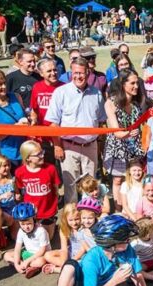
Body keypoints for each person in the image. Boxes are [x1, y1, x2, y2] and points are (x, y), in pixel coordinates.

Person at [46, 57, 106, 204]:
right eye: (75, 73)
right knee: (71, 187)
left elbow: (101, 121)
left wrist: (98, 145)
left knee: (90, 186)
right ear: (71, 73)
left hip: (90, 146)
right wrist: (58, 146)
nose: (78, 76)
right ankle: (72, 219)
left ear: (88, 73)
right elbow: (53, 123)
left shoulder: (97, 94)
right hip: (69, 147)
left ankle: (90, 216)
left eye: (82, 73)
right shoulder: (61, 93)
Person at [103, 69, 145, 208]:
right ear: (123, 84)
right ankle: (119, 209)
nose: (136, 86)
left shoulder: (136, 103)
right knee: (117, 180)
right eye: (132, 83)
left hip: (133, 147)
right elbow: (116, 131)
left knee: (134, 179)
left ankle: (133, 207)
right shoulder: (111, 103)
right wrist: (128, 133)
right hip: (118, 148)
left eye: (137, 83)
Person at [0, 68, 31, 167]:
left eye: (4, 82)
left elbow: (26, 116)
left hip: (27, 149)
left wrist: (30, 119)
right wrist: (14, 128)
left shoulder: (16, 96)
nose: (4, 86)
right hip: (11, 155)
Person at [15, 140, 61, 239]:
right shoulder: (20, 172)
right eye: (38, 154)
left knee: (49, 238)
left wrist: (55, 203)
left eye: (42, 152)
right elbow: (20, 187)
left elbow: (55, 188)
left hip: (48, 209)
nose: (42, 155)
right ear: (28, 158)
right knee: (34, 237)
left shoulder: (50, 169)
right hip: (31, 211)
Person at [4, 202, 50, 279]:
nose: (26, 227)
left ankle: (29, 266)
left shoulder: (41, 231)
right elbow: (17, 249)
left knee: (41, 261)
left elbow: (42, 251)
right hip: (28, 254)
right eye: (23, 224)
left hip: (40, 255)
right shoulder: (21, 231)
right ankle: (26, 266)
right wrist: (16, 264)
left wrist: (27, 261)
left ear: (34, 219)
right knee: (6, 255)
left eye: (29, 223)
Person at [43, 203, 78, 274]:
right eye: (71, 220)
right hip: (70, 252)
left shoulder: (82, 228)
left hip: (81, 254)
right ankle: (66, 266)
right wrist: (64, 261)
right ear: (66, 219)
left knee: (82, 263)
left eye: (76, 219)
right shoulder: (64, 229)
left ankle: (58, 269)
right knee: (47, 255)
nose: (74, 223)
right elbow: (64, 249)